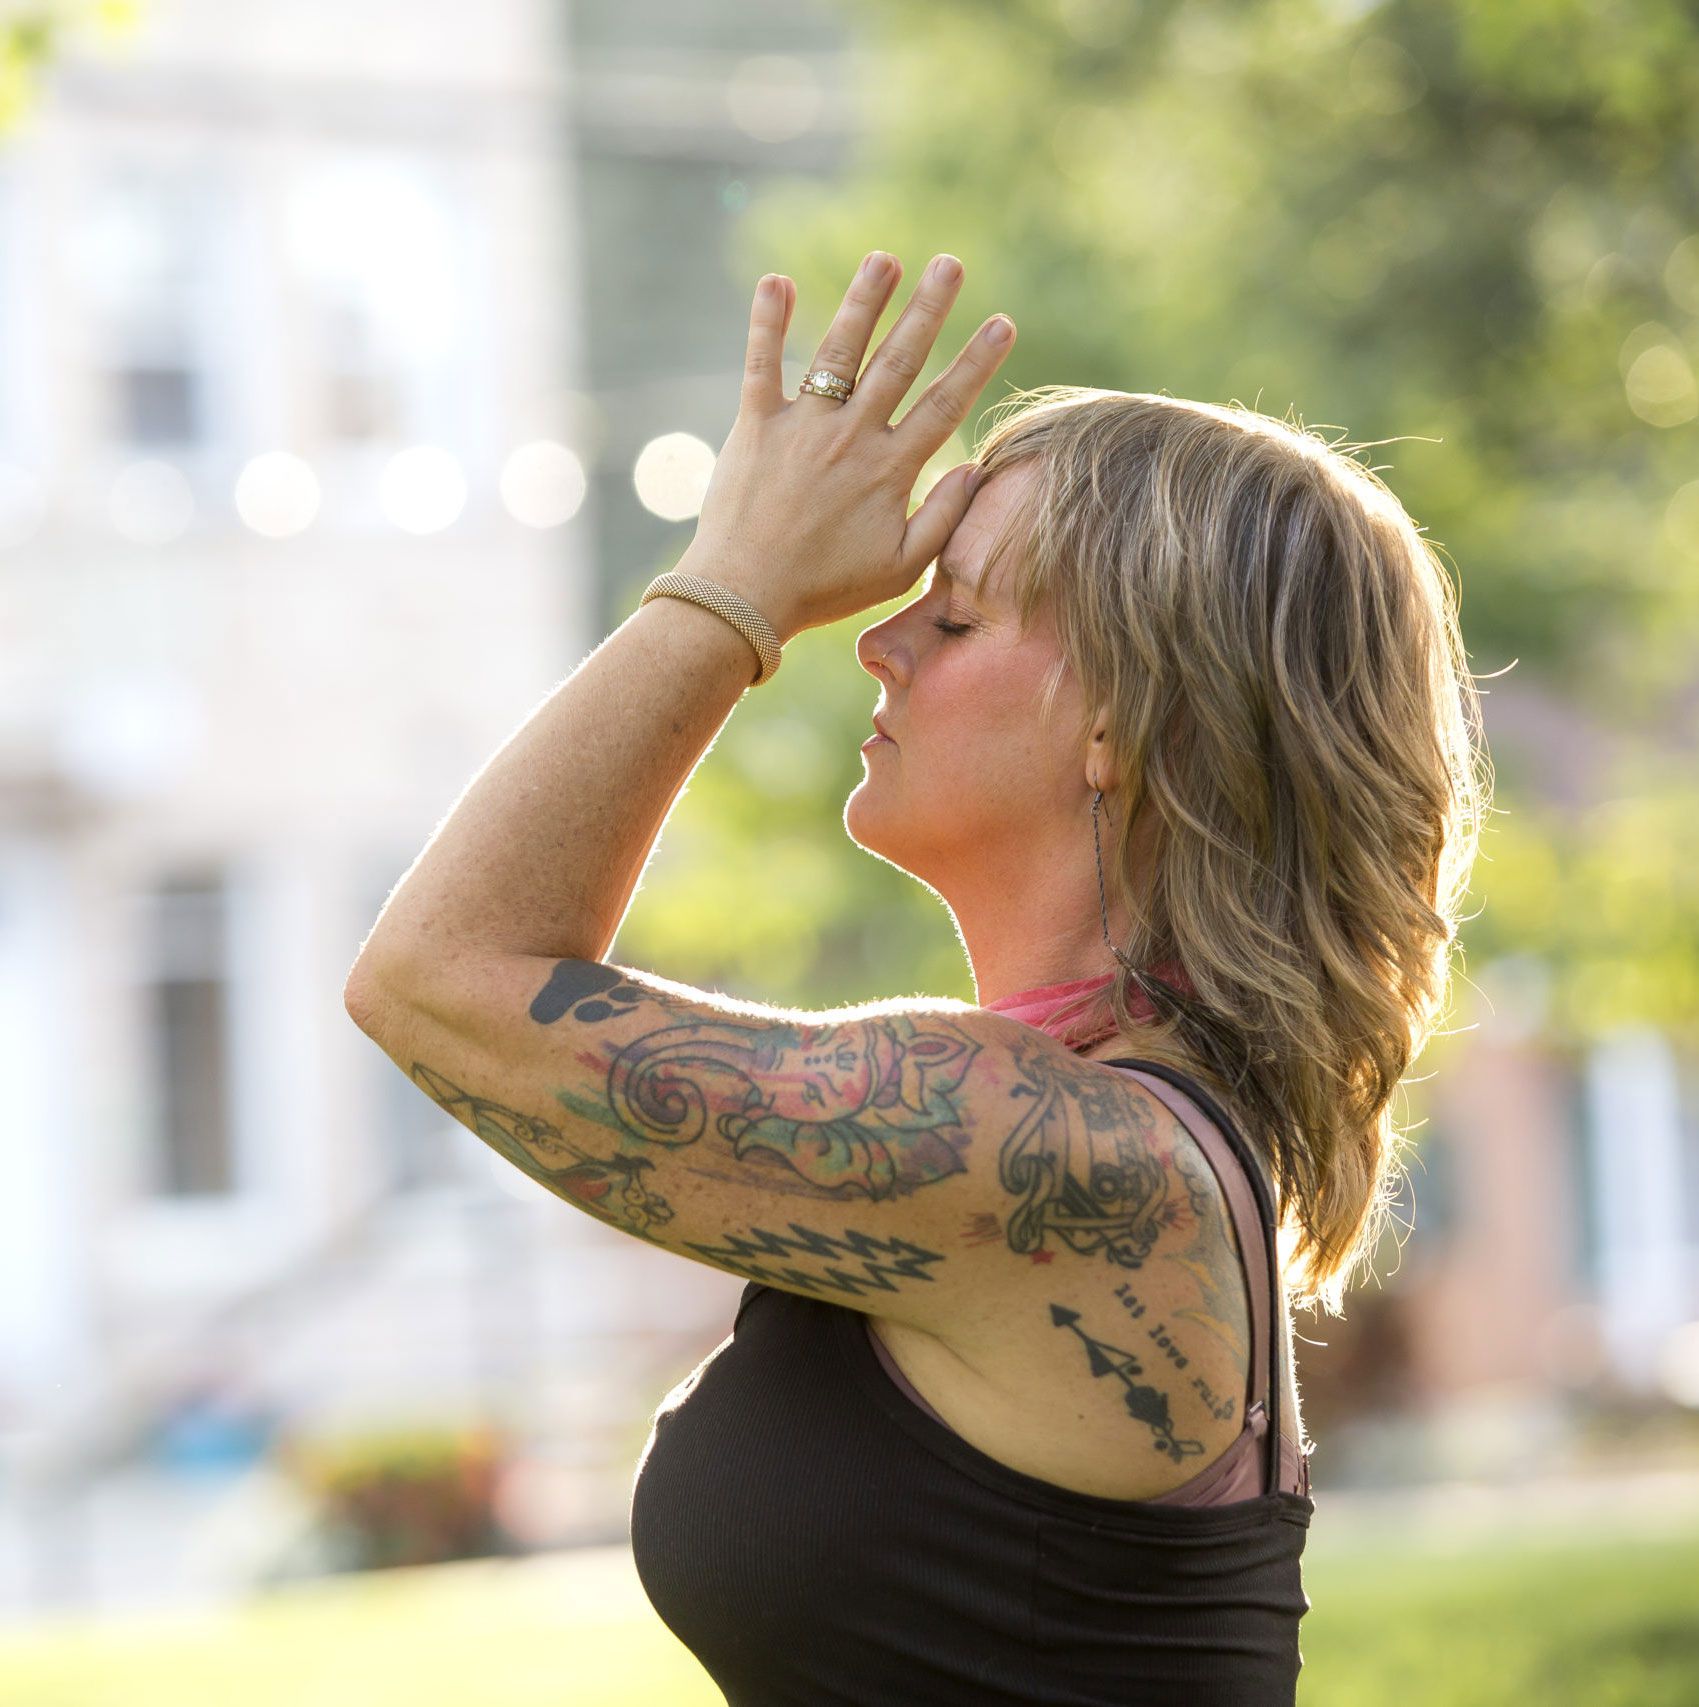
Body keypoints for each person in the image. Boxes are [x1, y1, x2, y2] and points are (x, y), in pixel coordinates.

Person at [344, 250, 1484, 1704]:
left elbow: (439, 978)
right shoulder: (1097, 1129)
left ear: (1131, 730)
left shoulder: (1043, 1146)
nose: (873, 640)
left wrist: (737, 584)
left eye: (951, 619)